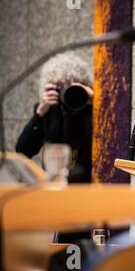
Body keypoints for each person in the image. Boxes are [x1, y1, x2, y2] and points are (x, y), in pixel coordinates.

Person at [15, 52, 93, 183]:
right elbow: (23, 152)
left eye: (72, 86)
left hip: (85, 187)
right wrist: (39, 114)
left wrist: (97, 102)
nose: (66, 92)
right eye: (59, 87)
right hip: (52, 186)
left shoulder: (92, 111)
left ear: (84, 85)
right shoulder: (47, 111)